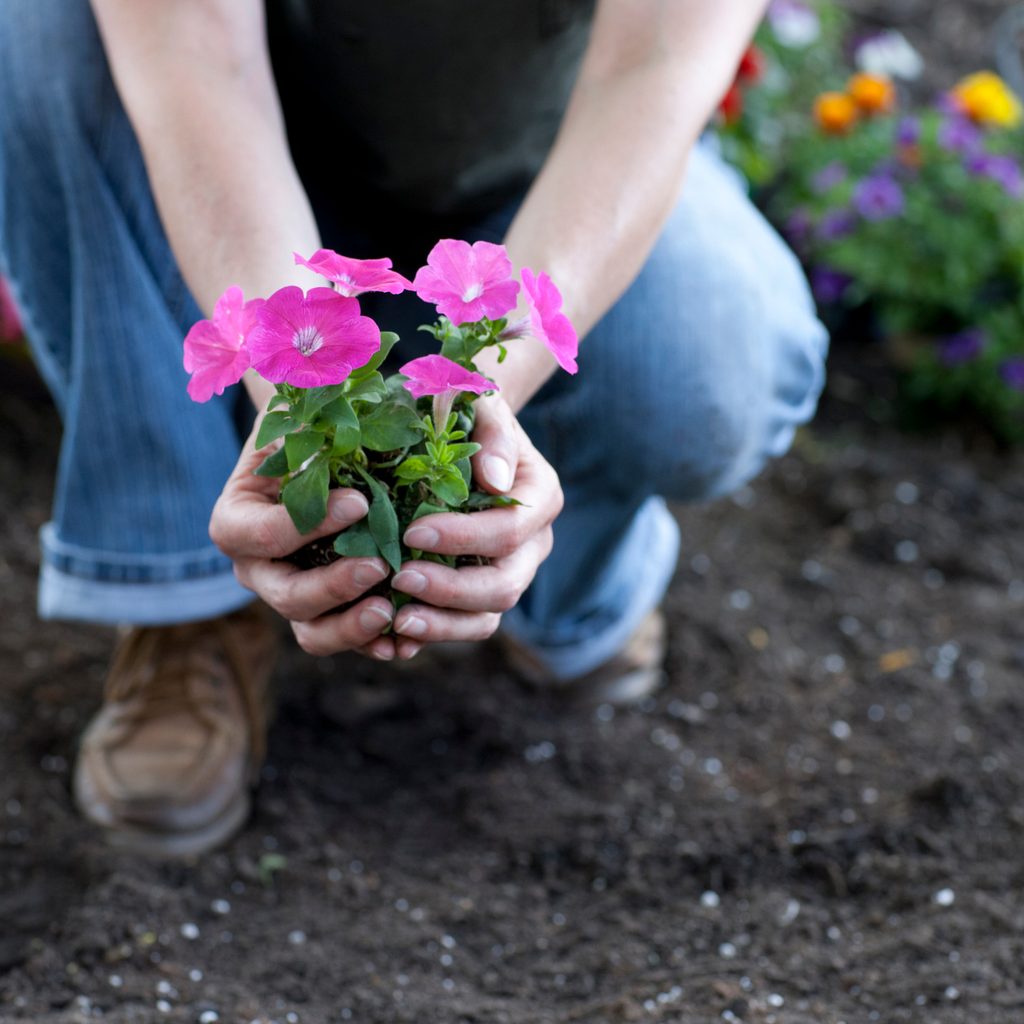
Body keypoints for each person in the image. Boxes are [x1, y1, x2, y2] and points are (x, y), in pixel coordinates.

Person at [0, 0, 827, 856]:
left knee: (710, 360)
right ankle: (184, 596)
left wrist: (479, 399)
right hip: (258, 187)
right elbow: (196, 57)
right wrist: (290, 390)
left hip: (533, 183)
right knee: (40, 28)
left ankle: (568, 569)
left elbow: (652, 72)